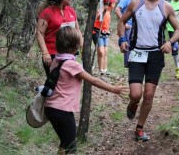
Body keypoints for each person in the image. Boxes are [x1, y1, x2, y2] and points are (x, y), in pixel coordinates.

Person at [117, 0, 179, 141]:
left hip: (155, 54)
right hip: (137, 51)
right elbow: (121, 21)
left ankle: (139, 128)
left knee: (149, 95)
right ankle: (132, 105)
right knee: (136, 94)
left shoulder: (166, 6)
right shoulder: (135, 4)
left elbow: (178, 30)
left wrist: (169, 42)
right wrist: (122, 40)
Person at [44, 26, 127, 154]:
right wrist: (113, 89)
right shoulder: (72, 65)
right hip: (63, 111)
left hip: (50, 109)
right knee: (71, 148)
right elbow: (93, 80)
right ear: (75, 46)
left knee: (64, 143)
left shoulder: (56, 60)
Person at [36, 0, 83, 77]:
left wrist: (82, 47)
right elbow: (39, 33)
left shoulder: (71, 11)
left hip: (70, 55)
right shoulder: (47, 12)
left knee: (66, 85)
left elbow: (77, 31)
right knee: (54, 86)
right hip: (52, 55)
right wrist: (45, 53)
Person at [115, 0, 140, 67]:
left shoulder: (137, 0)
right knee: (127, 44)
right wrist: (123, 22)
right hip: (126, 26)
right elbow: (117, 10)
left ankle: (134, 61)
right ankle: (128, 64)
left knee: (134, 44)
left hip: (134, 26)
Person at [92, 0, 117, 75]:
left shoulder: (109, 12)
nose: (115, 4)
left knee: (105, 52)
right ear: (111, 3)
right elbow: (98, 18)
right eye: (114, 3)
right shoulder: (102, 10)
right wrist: (104, 11)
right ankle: (100, 70)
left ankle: (105, 70)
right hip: (97, 33)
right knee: (101, 52)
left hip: (105, 34)